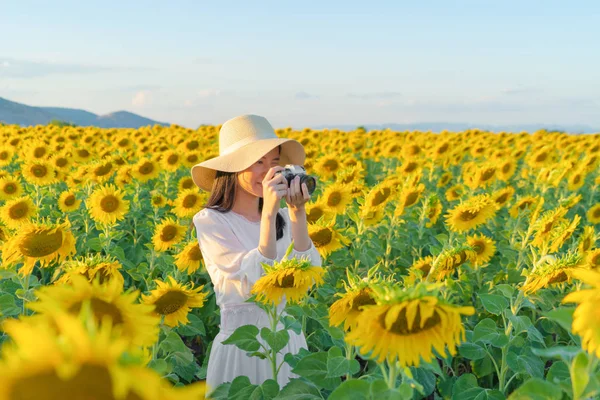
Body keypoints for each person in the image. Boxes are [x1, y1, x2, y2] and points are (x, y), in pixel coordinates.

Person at [190, 114, 322, 396]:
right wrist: (269, 212)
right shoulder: (211, 221)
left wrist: (297, 213)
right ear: (233, 169)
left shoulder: (284, 217)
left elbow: (306, 275)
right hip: (243, 348)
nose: (268, 171)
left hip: (286, 341)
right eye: (257, 162)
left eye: (274, 162)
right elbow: (255, 283)